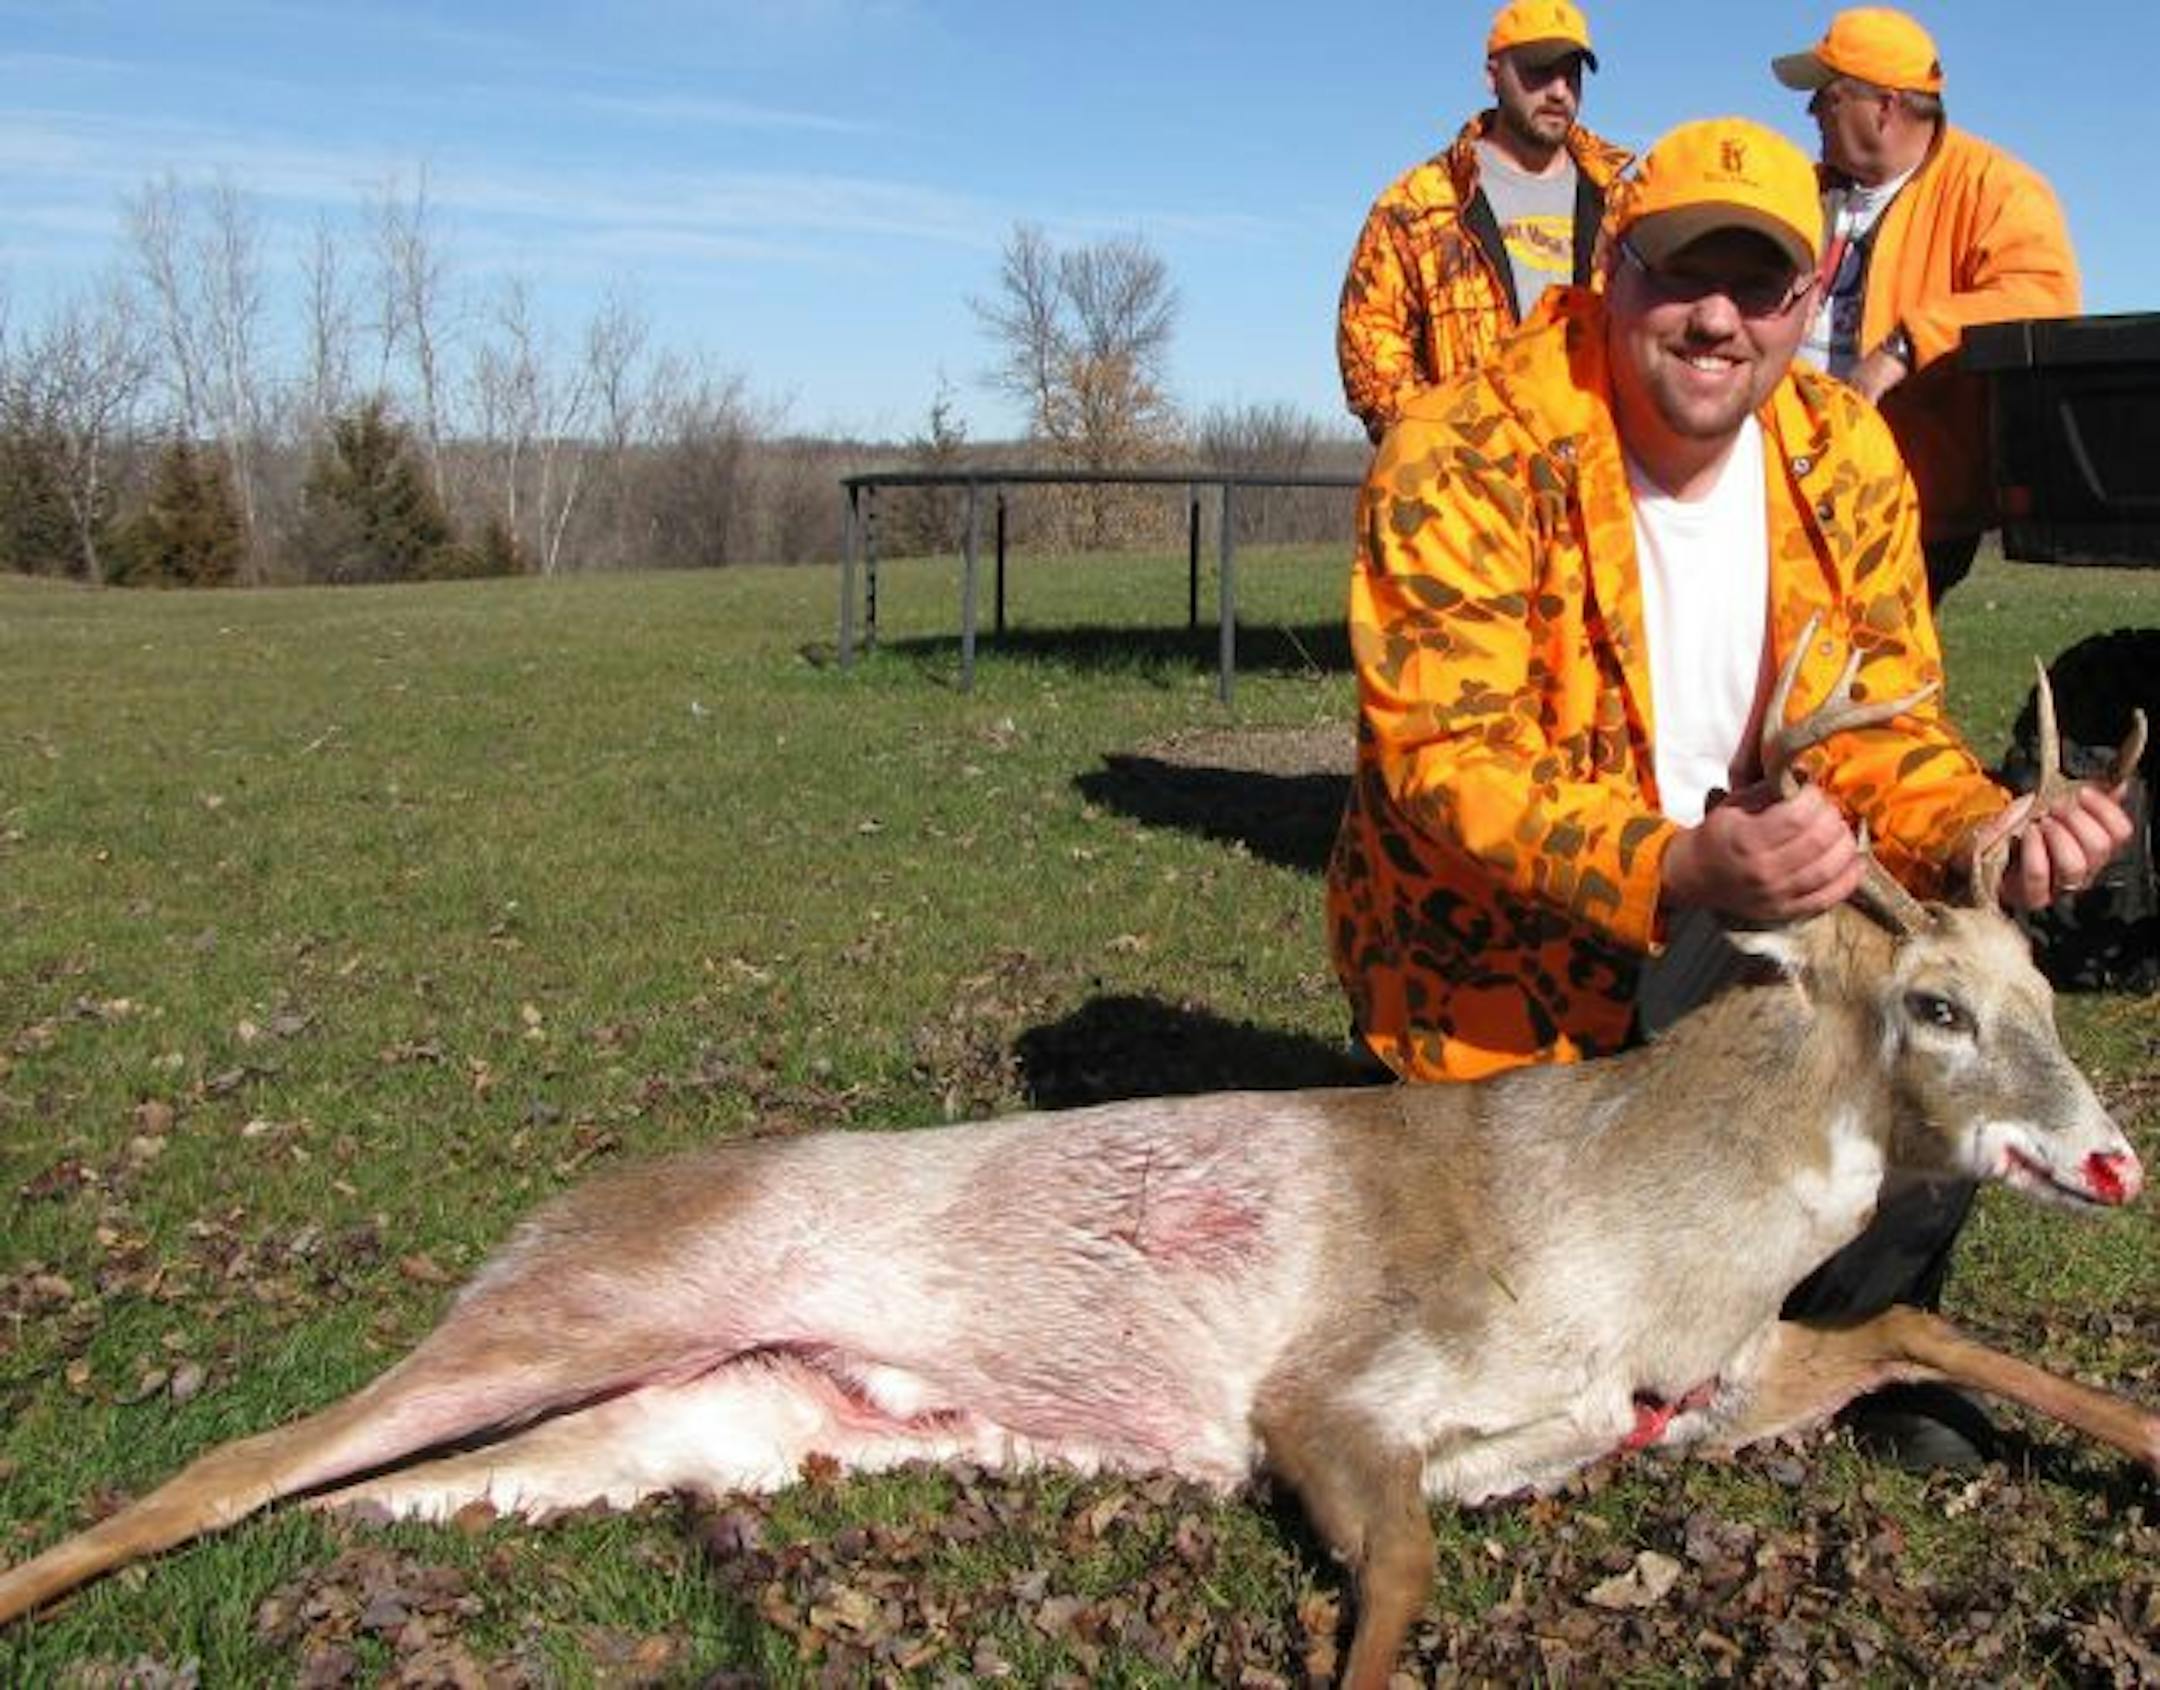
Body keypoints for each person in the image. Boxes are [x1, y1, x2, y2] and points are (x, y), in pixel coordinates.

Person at [1323, 117, 2132, 1464]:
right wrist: (1676, 865)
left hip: (1741, 926)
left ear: (1813, 296)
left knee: (1931, 989)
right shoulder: (1464, 447)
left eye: (1760, 285)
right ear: (1612, 271)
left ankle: (1860, 1336)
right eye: (1680, 272)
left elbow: (1889, 725)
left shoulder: (1841, 453)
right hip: (1502, 977)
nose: (1718, 318)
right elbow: (1447, 760)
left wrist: (1984, 827)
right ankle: (1720, 1327)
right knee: (1518, 1304)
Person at [1773, 7, 2080, 602]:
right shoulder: (1799, 190)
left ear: (1885, 107)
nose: (1810, 111)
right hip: (1781, 484)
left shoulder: (1995, 188)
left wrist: (1902, 347)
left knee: (1865, 652)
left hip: (1907, 503)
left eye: (1826, 96)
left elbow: (2042, 295)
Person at [1336, 0, 1631, 445]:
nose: (1558, 91)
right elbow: (1370, 340)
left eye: (1571, 73)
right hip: (1470, 477)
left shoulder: (1624, 205)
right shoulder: (1420, 204)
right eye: (1539, 70)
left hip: (1602, 471)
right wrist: (1445, 448)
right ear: (1493, 76)